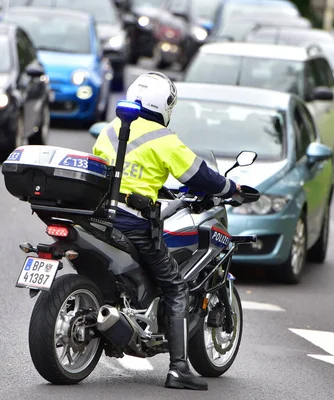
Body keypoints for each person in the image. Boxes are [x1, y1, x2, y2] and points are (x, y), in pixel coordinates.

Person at [92, 71, 240, 391]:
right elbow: (198, 174)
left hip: (100, 219)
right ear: (164, 104)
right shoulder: (162, 138)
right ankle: (178, 368)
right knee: (175, 287)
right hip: (134, 223)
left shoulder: (110, 130)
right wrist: (231, 186)